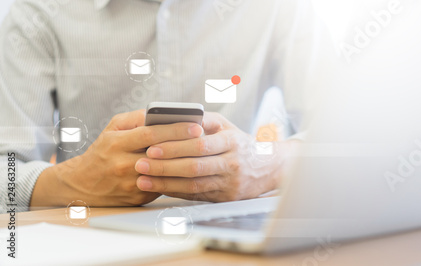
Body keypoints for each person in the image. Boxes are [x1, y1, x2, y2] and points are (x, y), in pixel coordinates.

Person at [0, 0, 333, 213]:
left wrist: (267, 163)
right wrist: (72, 182)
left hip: (234, 237)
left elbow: (357, 138)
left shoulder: (281, 7)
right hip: (88, 236)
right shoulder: (39, 10)